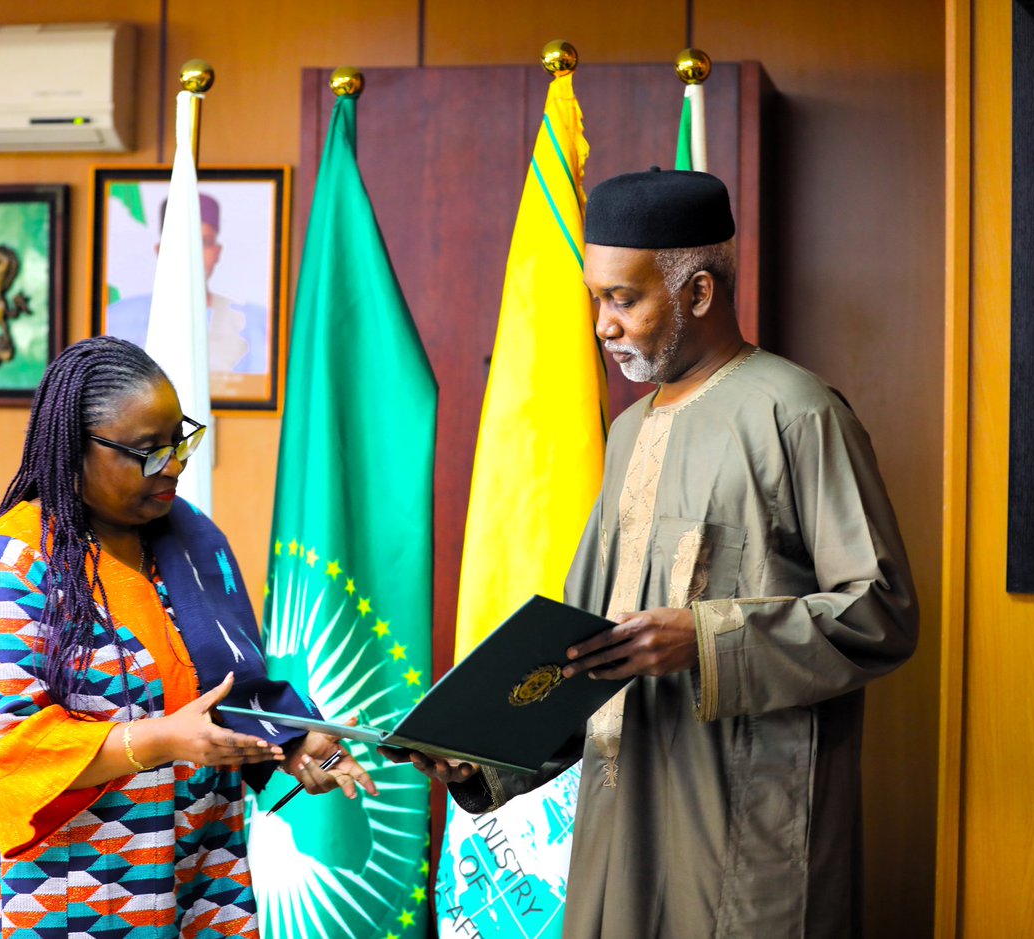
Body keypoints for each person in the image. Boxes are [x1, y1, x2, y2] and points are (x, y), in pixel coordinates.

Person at [386, 170, 918, 937]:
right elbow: (581, 649)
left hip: (745, 828)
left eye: (622, 299)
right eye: (596, 298)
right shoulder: (629, 432)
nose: (601, 326)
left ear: (698, 292)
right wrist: (486, 756)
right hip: (619, 819)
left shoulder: (797, 413)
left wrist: (703, 637)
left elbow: (881, 613)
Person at [0, 336, 374, 938]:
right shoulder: (12, 566)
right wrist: (162, 739)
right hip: (63, 905)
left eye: (179, 442)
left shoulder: (193, 540)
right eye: (147, 451)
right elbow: (12, 749)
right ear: (74, 450)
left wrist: (291, 742)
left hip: (201, 885)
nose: (173, 465)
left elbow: (235, 688)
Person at [107, 193, 270, 377]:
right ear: (160, 251)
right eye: (181, 241)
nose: (192, 254)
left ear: (217, 252)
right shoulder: (116, 319)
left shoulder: (257, 323)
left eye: (203, 242)